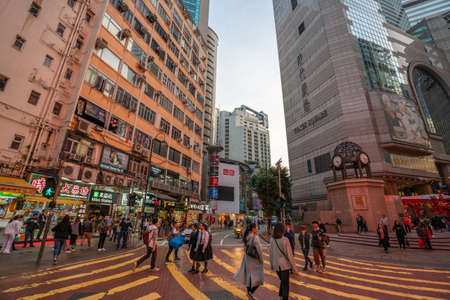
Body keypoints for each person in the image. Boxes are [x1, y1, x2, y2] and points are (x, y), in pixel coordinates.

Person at [269, 223, 299, 300]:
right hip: (284, 266)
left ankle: (281, 296)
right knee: (286, 284)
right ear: (282, 230)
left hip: (276, 265)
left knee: (283, 281)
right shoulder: (285, 240)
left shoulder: (272, 239)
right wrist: (294, 268)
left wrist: (271, 264)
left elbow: (271, 253)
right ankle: (284, 298)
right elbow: (290, 255)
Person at [234, 223, 264, 300]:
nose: (257, 229)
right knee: (259, 278)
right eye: (256, 227)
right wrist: (261, 260)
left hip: (247, 258)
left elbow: (245, 248)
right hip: (254, 260)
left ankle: (249, 293)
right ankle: (251, 293)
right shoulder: (255, 237)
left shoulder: (246, 236)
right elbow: (259, 251)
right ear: (253, 229)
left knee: (248, 277)